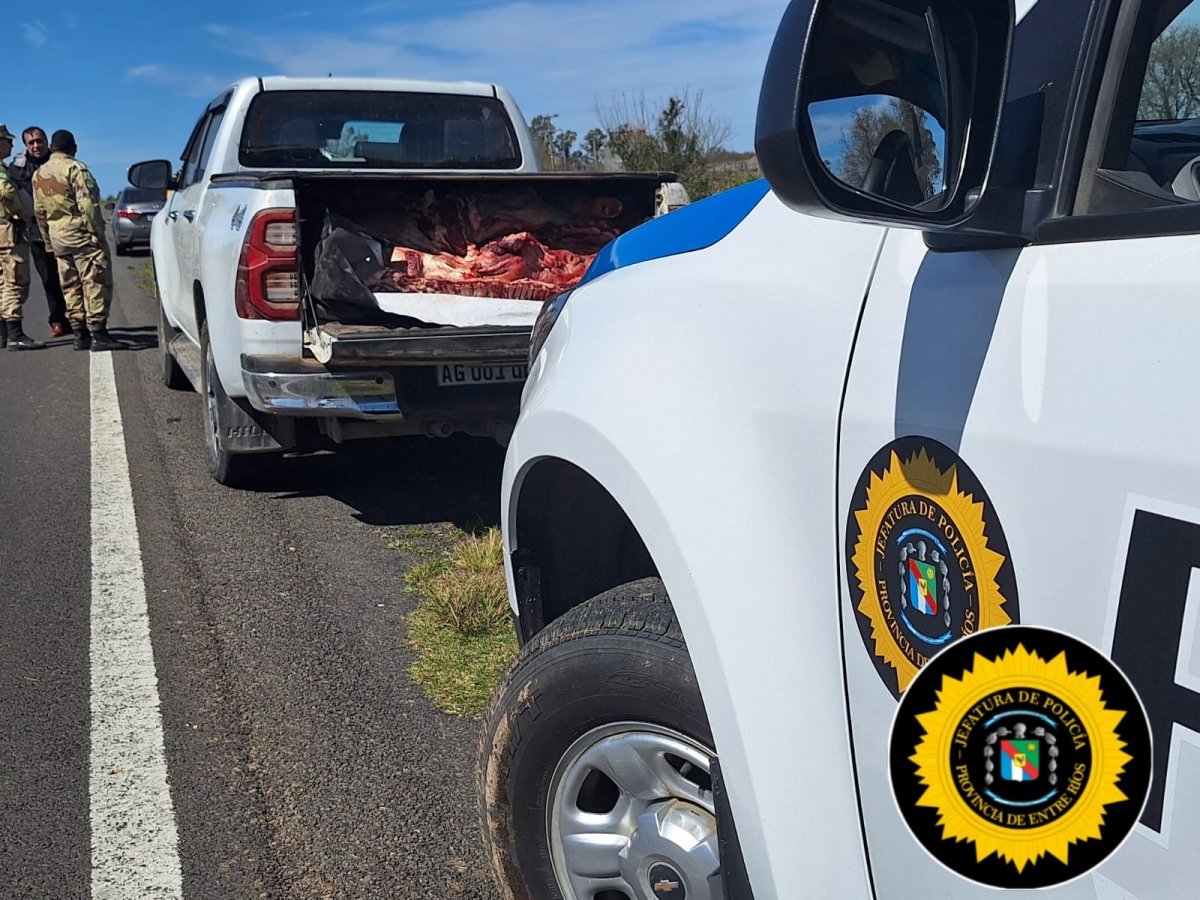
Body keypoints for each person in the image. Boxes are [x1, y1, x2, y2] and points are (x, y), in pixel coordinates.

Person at [32, 129, 124, 351]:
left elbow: (39, 212)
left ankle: (79, 333)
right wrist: (97, 235)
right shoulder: (76, 169)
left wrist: (47, 241)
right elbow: (88, 206)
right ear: (73, 148)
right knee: (94, 281)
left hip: (58, 238)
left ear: (52, 148)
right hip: (81, 236)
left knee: (70, 285)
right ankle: (99, 333)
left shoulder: (39, 174)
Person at [8, 126, 71, 337]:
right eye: (31, 142)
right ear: (25, 146)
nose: (36, 145)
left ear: (47, 142)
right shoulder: (16, 169)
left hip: (62, 227)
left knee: (71, 275)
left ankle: (80, 317)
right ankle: (58, 320)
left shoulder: (60, 162)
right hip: (36, 232)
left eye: (39, 141)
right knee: (49, 278)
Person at [0, 123, 43, 350]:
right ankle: (15, 334)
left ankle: (3, 334)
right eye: (7, 140)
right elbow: (6, 192)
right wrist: (22, 213)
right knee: (14, 283)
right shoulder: (1, 171)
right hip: (8, 235)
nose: (11, 143)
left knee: (1, 284)